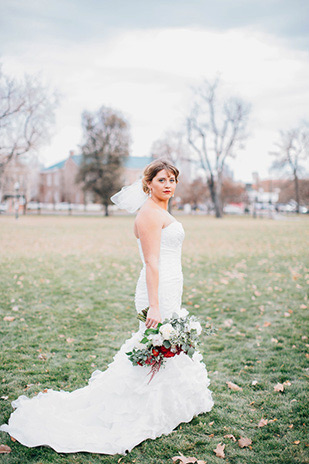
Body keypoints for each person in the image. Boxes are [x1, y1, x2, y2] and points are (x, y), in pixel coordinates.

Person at [0, 159, 214, 455]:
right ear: (148, 183)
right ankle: (136, 408)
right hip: (157, 291)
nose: (168, 185)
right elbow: (152, 262)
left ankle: (168, 404)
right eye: (162, 180)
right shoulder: (149, 214)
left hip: (170, 285)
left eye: (172, 180)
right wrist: (154, 306)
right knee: (154, 343)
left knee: (164, 346)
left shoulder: (159, 210)